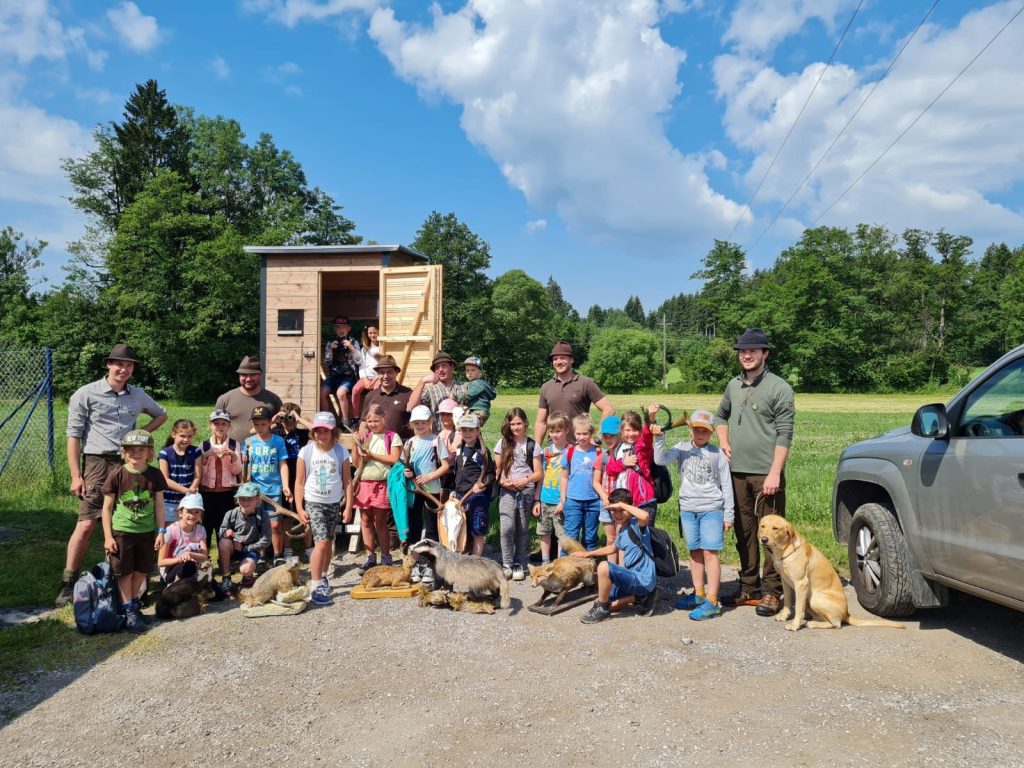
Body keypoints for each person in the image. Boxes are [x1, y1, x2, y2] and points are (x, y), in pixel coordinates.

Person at [58, 343, 167, 607]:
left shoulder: (138, 395)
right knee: (87, 523)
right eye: (119, 364)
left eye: (129, 365)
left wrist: (140, 436)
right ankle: (68, 582)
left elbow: (161, 415)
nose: (124, 369)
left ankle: (123, 578)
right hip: (97, 462)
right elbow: (73, 437)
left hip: (127, 463)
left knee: (129, 520)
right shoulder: (86, 394)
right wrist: (76, 475)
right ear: (108, 364)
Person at [714, 328, 795, 617]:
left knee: (772, 535)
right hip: (736, 474)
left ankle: (772, 592)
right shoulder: (733, 385)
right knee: (745, 531)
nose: (746, 355)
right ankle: (749, 585)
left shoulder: (779, 387)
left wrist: (775, 472)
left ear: (765, 354)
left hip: (766, 474)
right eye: (742, 351)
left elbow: (785, 433)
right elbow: (720, 415)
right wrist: (723, 441)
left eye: (752, 351)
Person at [652, 408, 734, 620]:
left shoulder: (718, 454)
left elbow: (726, 485)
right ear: (690, 430)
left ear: (712, 432)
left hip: (711, 509)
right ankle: (698, 594)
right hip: (688, 508)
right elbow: (660, 460)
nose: (700, 434)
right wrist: (660, 437)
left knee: (710, 553)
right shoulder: (682, 448)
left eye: (704, 431)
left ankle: (713, 600)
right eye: (696, 430)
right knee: (695, 551)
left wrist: (729, 515)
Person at [100, 429, 168, 633]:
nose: (135, 453)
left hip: (147, 532)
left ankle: (134, 605)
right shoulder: (117, 474)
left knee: (141, 571)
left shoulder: (155, 474)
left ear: (150, 452)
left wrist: (161, 531)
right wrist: (108, 536)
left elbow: (159, 506)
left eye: (141, 449)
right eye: (131, 450)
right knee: (125, 572)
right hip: (123, 532)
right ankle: (129, 611)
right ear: (124, 452)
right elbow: (107, 508)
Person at [572, 489, 658, 623]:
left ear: (629, 507)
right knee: (606, 599)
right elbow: (612, 548)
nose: (617, 514)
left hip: (642, 579)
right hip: (632, 577)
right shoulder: (623, 530)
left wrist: (622, 505)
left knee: (604, 567)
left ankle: (603, 609)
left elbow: (645, 516)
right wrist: (588, 553)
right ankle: (642, 597)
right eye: (614, 511)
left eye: (621, 510)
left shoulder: (637, 524)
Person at [295, 412, 353, 606]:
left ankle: (324, 575)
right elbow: (299, 482)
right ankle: (315, 583)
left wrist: (348, 508)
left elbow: (348, 481)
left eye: (325, 431)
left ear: (333, 432)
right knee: (320, 542)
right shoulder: (306, 452)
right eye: (317, 431)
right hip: (313, 501)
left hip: (334, 502)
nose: (321, 435)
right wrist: (299, 507)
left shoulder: (341, 452)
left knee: (329, 541)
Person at [403, 405, 451, 586]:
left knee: (432, 529)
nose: (420, 426)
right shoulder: (409, 443)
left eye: (423, 422)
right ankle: (417, 564)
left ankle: (432, 565)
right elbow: (405, 465)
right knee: (414, 528)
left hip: (432, 491)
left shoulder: (436, 441)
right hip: (415, 491)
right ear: (412, 424)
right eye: (416, 423)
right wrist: (408, 473)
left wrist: (430, 476)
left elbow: (445, 465)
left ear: (430, 422)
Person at [353, 403, 403, 574]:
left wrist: (372, 455)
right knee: (365, 520)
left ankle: (386, 556)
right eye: (369, 421)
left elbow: (394, 458)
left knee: (380, 521)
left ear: (384, 419)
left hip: (382, 483)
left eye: (376, 420)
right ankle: (370, 556)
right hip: (364, 483)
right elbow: (355, 463)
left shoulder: (392, 437)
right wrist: (355, 446)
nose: (373, 424)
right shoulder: (365, 437)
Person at [534, 341, 615, 445]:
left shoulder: (586, 383)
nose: (558, 362)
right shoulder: (546, 387)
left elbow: (609, 409)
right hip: (554, 451)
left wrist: (598, 437)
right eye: (555, 359)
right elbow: (541, 422)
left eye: (562, 358)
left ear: (571, 359)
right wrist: (536, 449)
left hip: (580, 449)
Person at [494, 408, 541, 580]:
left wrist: (526, 480)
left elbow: (538, 473)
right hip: (507, 491)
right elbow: (497, 469)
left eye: (519, 423)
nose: (515, 427)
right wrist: (502, 481)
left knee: (522, 528)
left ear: (525, 423)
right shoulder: (502, 443)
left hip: (526, 490)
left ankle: (518, 562)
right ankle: (506, 562)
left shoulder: (532, 445)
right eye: (512, 424)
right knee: (506, 527)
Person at [243, 405, 291, 563]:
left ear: (270, 422)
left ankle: (278, 555)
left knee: (275, 525)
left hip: (274, 489)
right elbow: (245, 467)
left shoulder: (278, 441)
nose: (259, 427)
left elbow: (283, 464)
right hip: (256, 491)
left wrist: (285, 486)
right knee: (258, 524)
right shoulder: (249, 442)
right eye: (256, 424)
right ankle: (262, 554)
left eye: (263, 424)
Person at [198, 409, 244, 552]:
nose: (220, 427)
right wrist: (205, 459)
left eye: (224, 424)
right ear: (210, 425)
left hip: (226, 492)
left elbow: (237, 471)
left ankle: (225, 558)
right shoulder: (204, 445)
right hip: (207, 492)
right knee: (206, 525)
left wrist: (234, 458)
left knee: (223, 526)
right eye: (216, 423)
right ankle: (205, 559)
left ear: (229, 426)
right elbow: (200, 473)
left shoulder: (234, 445)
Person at [217, 482, 272, 596]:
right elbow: (221, 531)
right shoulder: (231, 514)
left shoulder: (263, 515)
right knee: (223, 542)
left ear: (257, 500)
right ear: (237, 500)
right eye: (242, 499)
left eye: (249, 499)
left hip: (250, 550)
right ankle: (226, 577)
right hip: (233, 548)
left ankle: (248, 576)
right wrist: (226, 532)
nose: (246, 502)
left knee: (246, 570)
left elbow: (266, 539)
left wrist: (246, 548)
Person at [451, 413, 494, 557]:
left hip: (477, 497)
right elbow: (456, 473)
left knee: (477, 529)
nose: (467, 433)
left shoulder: (482, 452)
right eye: (464, 430)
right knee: (461, 527)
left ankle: (476, 561)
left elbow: (491, 474)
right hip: (460, 496)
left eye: (471, 430)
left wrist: (482, 484)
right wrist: (453, 490)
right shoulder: (459, 449)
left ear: (477, 431)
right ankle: (463, 559)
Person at [604, 410, 657, 523]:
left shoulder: (641, 447)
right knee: (625, 534)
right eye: (627, 430)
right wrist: (623, 463)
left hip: (642, 500)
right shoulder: (618, 448)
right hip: (623, 501)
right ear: (621, 431)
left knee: (643, 535)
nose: (631, 433)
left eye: (635, 430)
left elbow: (647, 437)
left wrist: (650, 419)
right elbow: (609, 470)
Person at [215, 356, 283, 444]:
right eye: (244, 375)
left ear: (259, 375)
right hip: (232, 454)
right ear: (239, 375)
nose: (248, 379)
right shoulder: (225, 399)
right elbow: (215, 429)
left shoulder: (273, 399)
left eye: (252, 375)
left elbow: (282, 427)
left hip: (265, 454)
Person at [533, 410, 571, 565]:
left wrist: (563, 501)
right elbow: (541, 476)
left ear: (567, 430)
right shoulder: (546, 451)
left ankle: (560, 562)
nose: (555, 435)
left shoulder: (570, 451)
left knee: (562, 534)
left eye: (559, 431)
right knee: (544, 532)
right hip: (545, 498)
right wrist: (537, 499)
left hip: (560, 500)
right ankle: (545, 561)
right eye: (552, 431)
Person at [157, 493, 208, 587]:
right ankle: (174, 586)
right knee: (188, 565)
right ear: (180, 513)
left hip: (194, 566)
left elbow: (205, 556)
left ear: (201, 513)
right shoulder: (170, 530)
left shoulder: (200, 529)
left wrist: (190, 554)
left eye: (196, 512)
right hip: (172, 570)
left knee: (217, 593)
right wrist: (180, 559)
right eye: (189, 511)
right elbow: (161, 562)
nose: (192, 516)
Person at [358, 354, 413, 440]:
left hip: (402, 447)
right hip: (376, 446)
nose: (386, 376)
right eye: (382, 372)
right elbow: (364, 423)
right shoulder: (370, 396)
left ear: (396, 373)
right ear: (378, 374)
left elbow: (418, 422)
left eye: (389, 372)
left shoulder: (408, 393)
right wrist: (363, 438)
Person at [158, 419, 201, 524]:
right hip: (169, 501)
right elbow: (165, 479)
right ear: (174, 434)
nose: (186, 439)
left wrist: (192, 489)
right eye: (182, 436)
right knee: (169, 532)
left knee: (189, 530)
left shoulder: (195, 452)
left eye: (189, 436)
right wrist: (186, 491)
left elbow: (197, 475)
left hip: (189, 500)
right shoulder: (164, 453)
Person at [321, 315, 362, 425]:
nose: (341, 330)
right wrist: (330, 350)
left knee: (340, 393)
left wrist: (351, 348)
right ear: (335, 329)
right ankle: (326, 420)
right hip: (334, 376)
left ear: (348, 329)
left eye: (343, 327)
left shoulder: (354, 342)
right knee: (322, 393)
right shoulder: (331, 343)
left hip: (348, 377)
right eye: (338, 327)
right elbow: (327, 361)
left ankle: (345, 421)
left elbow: (359, 361)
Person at [408, 351, 463, 432]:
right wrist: (422, 381)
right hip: (440, 437)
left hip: (464, 435)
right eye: (437, 367)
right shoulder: (429, 390)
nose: (440, 370)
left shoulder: (464, 386)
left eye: (444, 365)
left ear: (452, 367)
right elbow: (411, 407)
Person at [596, 415, 622, 565]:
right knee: (611, 538)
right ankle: (612, 569)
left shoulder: (624, 455)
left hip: (621, 504)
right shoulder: (603, 457)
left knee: (622, 538)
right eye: (605, 436)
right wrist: (604, 496)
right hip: (606, 503)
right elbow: (596, 481)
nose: (609, 439)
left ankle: (623, 570)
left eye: (612, 435)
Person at [351, 324, 381, 418]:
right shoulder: (364, 349)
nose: (372, 335)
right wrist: (365, 379)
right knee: (355, 390)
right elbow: (362, 365)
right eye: (370, 333)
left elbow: (383, 365)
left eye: (375, 333)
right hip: (366, 377)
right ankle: (356, 416)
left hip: (378, 377)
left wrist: (376, 379)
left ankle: (375, 416)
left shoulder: (382, 347)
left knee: (377, 392)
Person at [460, 356, 497, 426]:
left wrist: (459, 396)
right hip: (478, 410)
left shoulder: (477, 384)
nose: (469, 373)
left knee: (467, 425)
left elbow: (469, 394)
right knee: (472, 428)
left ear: (480, 372)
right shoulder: (479, 383)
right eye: (467, 370)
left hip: (478, 411)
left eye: (473, 370)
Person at [436, 398, 460, 501]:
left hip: (453, 474)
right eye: (443, 414)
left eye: (449, 414)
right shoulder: (440, 433)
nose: (445, 417)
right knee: (442, 500)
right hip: (441, 473)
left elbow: (455, 450)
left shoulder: (458, 433)